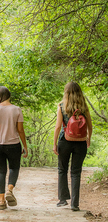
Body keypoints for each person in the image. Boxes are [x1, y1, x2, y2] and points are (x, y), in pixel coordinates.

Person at [52, 81, 92, 211]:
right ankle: (75, 204)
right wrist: (88, 139)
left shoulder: (62, 106)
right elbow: (90, 126)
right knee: (76, 172)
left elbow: (58, 126)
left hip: (65, 140)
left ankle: (62, 200)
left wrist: (54, 143)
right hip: (80, 142)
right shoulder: (84, 107)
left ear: (66, 92)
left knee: (62, 169)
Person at [0, 86, 28, 210]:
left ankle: (1, 201)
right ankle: (9, 190)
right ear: (9, 95)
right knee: (14, 168)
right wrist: (25, 146)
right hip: (13, 144)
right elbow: (20, 130)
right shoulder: (16, 109)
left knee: (1, 171)